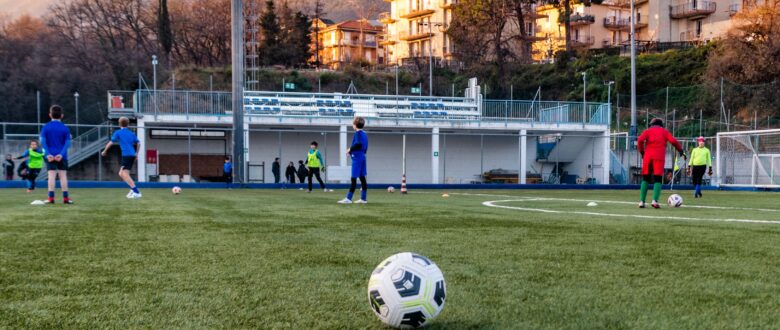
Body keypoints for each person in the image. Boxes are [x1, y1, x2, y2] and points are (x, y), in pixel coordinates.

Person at [637, 118, 685, 209]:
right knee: (658, 179)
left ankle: (641, 202)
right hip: (659, 157)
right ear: (661, 124)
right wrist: (680, 149)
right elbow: (673, 141)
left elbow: (640, 140)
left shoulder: (648, 131)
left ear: (652, 124)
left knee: (645, 178)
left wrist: (642, 152)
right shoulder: (664, 132)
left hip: (648, 156)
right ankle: (654, 201)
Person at [101, 117, 142, 199]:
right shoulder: (131, 133)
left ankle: (136, 192)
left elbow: (111, 142)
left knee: (124, 174)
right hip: (131, 155)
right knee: (121, 173)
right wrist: (136, 153)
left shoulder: (118, 132)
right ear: (128, 124)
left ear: (119, 124)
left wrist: (105, 151)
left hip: (126, 155)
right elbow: (139, 143)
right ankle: (132, 189)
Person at [40, 105, 73, 204]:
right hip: (62, 156)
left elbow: (43, 142)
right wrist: (61, 154)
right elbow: (68, 143)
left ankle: (51, 198)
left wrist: (48, 154)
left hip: (50, 155)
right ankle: (66, 199)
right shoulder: (65, 128)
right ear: (62, 116)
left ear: (50, 115)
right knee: (63, 176)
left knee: (51, 176)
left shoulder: (45, 127)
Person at [339, 117, 369, 204]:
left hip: (357, 158)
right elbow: (365, 147)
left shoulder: (357, 133)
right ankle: (363, 199)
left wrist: (349, 149)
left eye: (353, 124)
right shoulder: (364, 134)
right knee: (362, 178)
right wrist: (353, 151)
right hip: (363, 157)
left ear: (355, 125)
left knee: (353, 178)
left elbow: (358, 144)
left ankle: (348, 198)